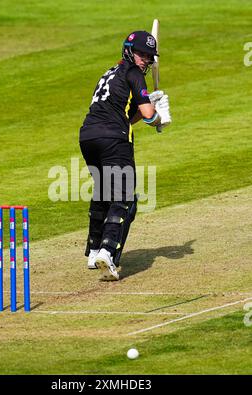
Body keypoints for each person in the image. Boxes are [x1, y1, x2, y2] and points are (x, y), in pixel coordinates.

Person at [79, 30, 171, 281]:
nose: (146, 60)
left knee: (102, 192)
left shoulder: (110, 73)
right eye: (142, 54)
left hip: (88, 137)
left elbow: (127, 115)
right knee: (124, 196)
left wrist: (149, 104)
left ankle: (94, 249)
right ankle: (107, 252)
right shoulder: (133, 73)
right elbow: (150, 117)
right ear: (129, 51)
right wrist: (159, 114)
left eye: (149, 56)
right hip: (114, 140)